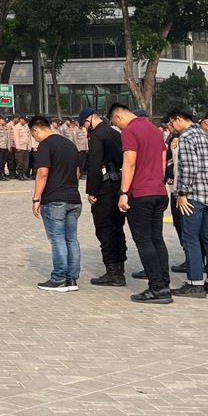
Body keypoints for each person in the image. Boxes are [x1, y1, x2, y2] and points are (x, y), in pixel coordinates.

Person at [114, 103, 172, 305]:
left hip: (140, 193)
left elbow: (129, 162)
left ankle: (157, 288)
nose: (119, 128)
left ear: (119, 117)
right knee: (157, 239)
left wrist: (123, 193)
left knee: (144, 241)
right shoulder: (155, 131)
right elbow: (163, 161)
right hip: (158, 191)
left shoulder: (130, 131)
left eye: (116, 124)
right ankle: (164, 282)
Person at [168, 108, 208, 298]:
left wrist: (182, 192)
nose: (172, 127)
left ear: (177, 120)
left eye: (172, 123)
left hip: (194, 195)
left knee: (190, 239)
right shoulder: (205, 136)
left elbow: (189, 168)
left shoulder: (186, 137)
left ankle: (195, 283)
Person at [30, 115, 81, 291]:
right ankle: (71, 279)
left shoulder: (45, 146)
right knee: (71, 239)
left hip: (55, 199)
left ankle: (59, 277)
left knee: (57, 239)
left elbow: (42, 173)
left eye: (33, 135)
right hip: (74, 199)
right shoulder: (70, 145)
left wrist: (36, 198)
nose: (34, 139)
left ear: (36, 129)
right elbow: (76, 173)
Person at [82, 108, 126, 286]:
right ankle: (120, 266)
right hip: (119, 184)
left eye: (85, 125)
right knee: (117, 227)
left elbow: (94, 166)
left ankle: (112, 272)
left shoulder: (98, 136)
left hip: (105, 187)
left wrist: (92, 191)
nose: (86, 129)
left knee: (104, 228)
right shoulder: (115, 133)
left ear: (89, 120)